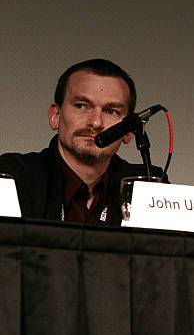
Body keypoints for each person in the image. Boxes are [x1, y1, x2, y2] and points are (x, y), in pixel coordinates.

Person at [0, 58, 165, 225]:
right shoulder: (12, 177)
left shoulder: (148, 185)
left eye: (111, 111)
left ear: (129, 131)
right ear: (55, 116)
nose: (95, 122)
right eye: (81, 106)